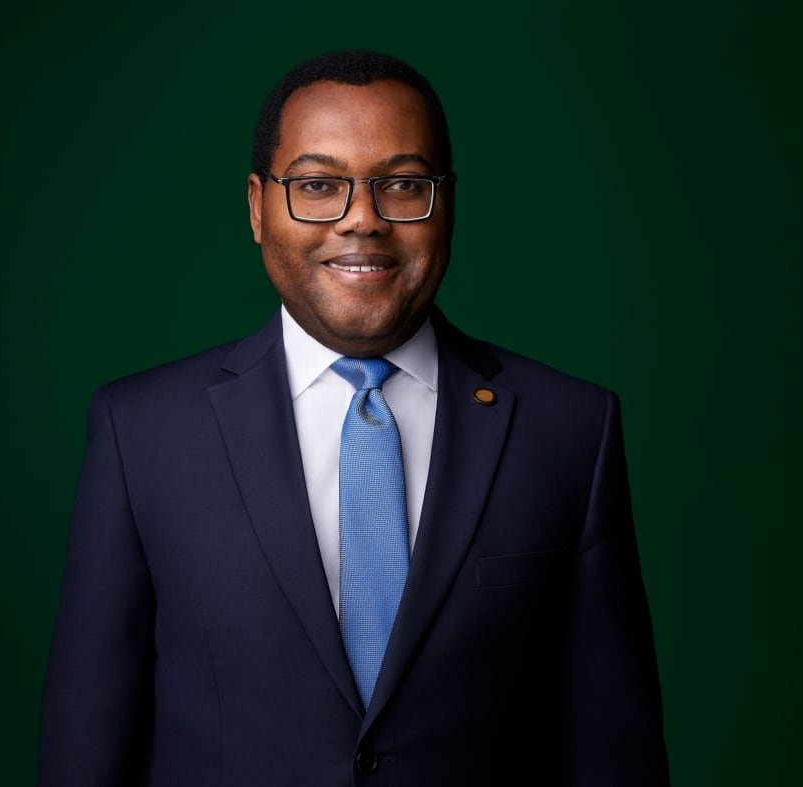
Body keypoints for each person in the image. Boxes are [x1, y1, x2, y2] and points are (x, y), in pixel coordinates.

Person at [37, 49, 669, 786]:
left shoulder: (569, 429)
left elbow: (614, 751)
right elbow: (87, 745)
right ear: (256, 206)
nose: (362, 220)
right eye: (317, 185)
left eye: (402, 185)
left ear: (448, 202)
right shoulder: (140, 431)